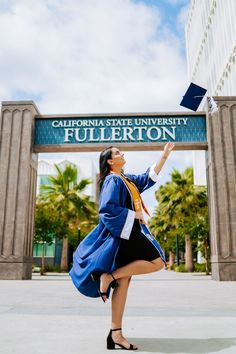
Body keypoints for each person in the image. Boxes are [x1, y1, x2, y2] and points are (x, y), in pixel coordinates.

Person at [69, 142, 174, 350]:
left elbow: (147, 178)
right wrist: (135, 215)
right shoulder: (112, 180)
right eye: (117, 153)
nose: (122, 153)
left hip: (126, 232)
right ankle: (109, 277)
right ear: (110, 161)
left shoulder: (125, 180)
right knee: (158, 262)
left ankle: (115, 333)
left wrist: (164, 156)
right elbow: (107, 210)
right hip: (123, 232)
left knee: (124, 280)